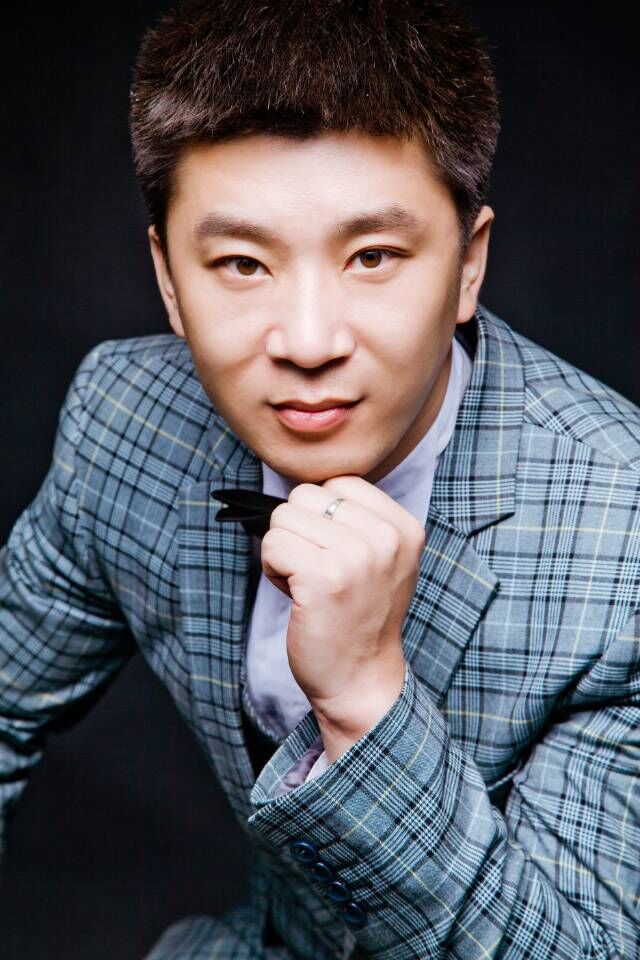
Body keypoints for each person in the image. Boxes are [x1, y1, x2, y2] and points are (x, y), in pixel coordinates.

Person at [1, 1, 638, 957]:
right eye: (241, 263)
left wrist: (366, 699)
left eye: (373, 257)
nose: (307, 343)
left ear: (469, 265)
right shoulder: (124, 418)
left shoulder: (624, 537)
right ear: (169, 280)